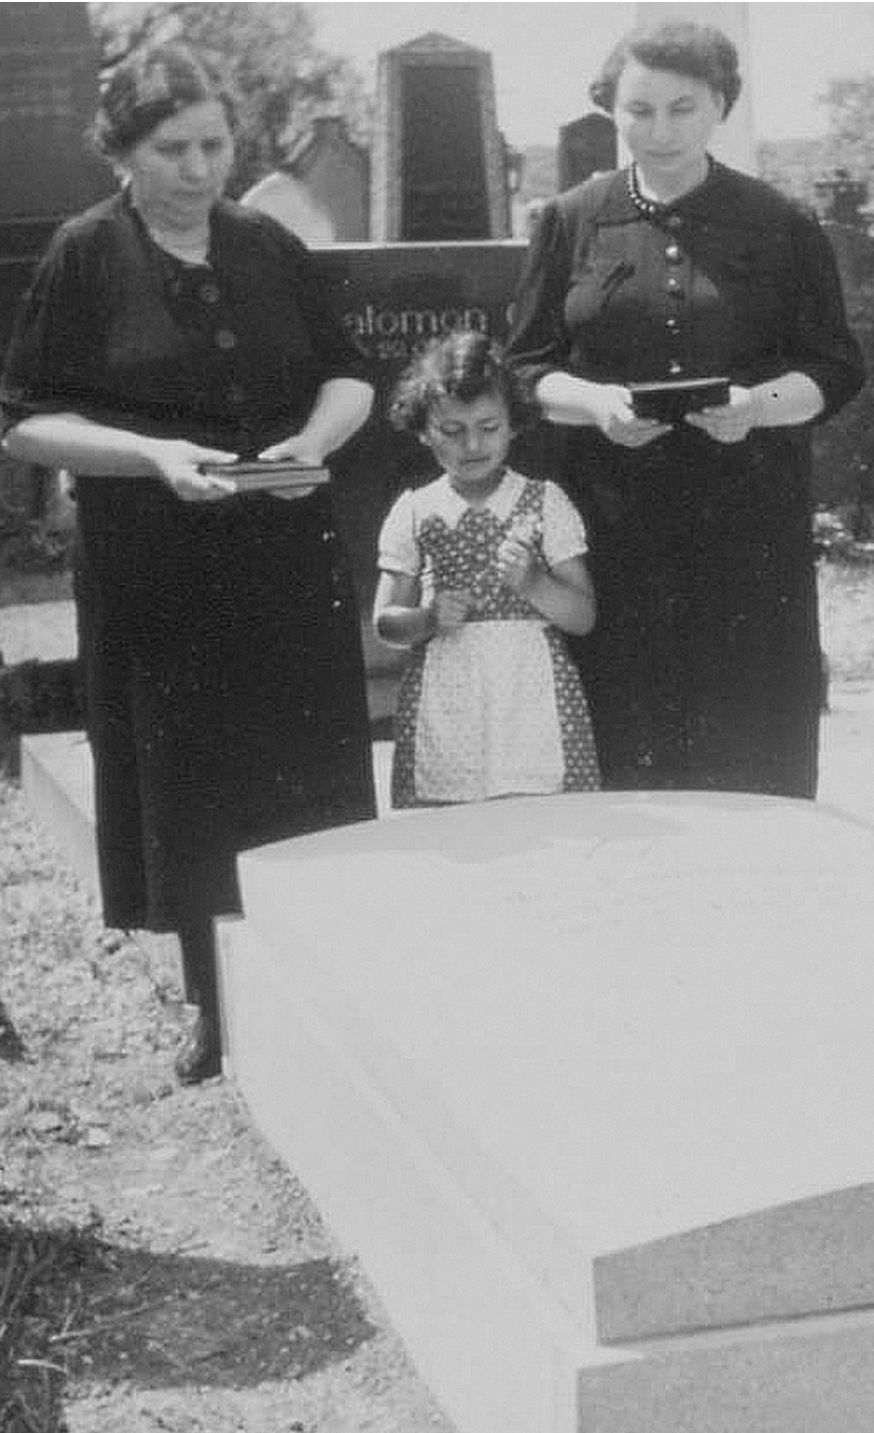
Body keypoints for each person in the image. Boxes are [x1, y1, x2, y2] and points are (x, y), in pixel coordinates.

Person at [0, 44, 376, 1083]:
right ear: (122, 150)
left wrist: (313, 442)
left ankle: (317, 983)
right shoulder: (84, 255)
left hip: (281, 546)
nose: (201, 167)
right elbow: (28, 423)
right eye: (174, 149)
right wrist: (152, 454)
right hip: (156, 560)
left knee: (300, 761)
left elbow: (350, 371)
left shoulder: (265, 245)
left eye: (215, 143)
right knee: (190, 776)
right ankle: (215, 1002)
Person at [506, 20, 864, 798]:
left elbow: (835, 366)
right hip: (610, 522)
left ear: (720, 107)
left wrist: (757, 405)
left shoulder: (782, 224)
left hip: (746, 522)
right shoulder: (569, 220)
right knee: (626, 740)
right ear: (612, 110)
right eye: (638, 110)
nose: (658, 130)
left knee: (749, 741)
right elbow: (525, 367)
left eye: (682, 108)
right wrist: (595, 403)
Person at [374, 332, 598, 809]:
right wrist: (428, 618)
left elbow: (582, 615)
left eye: (489, 427)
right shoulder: (415, 510)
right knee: (456, 835)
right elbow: (386, 623)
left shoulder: (545, 501)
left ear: (514, 425)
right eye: (452, 431)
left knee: (542, 822)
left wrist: (535, 582)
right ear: (422, 430)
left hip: (529, 697)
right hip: (448, 699)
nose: (472, 444)